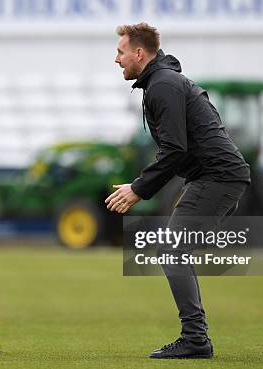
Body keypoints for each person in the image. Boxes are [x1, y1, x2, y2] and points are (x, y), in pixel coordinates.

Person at [106, 23, 250, 359]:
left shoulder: (163, 85)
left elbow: (175, 149)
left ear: (139, 53)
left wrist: (139, 189)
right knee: (176, 250)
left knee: (172, 250)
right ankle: (195, 337)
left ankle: (195, 338)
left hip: (217, 177)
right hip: (211, 177)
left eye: (120, 52)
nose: (116, 59)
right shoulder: (162, 82)